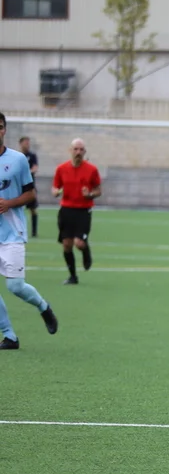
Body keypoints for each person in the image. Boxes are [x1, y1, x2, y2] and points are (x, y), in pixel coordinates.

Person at [0, 113, 58, 349]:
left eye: (0, 126)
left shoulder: (18, 160)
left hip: (12, 233)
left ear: (5, 130)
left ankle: (43, 307)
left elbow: (30, 194)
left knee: (15, 286)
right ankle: (9, 335)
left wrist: (8, 203)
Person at [51, 138, 100, 285]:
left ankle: (85, 250)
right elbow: (55, 187)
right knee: (67, 245)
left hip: (83, 211)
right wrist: (56, 192)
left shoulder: (92, 170)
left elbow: (98, 190)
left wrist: (89, 194)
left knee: (79, 243)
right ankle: (73, 276)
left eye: (81, 149)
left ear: (84, 152)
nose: (78, 152)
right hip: (66, 210)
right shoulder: (61, 169)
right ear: (70, 150)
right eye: (75, 149)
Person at [18, 136, 38, 238]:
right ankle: (19, 230)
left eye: (28, 143)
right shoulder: (17, 156)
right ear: (21, 144)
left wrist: (26, 173)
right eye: (26, 143)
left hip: (30, 187)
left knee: (33, 209)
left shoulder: (32, 156)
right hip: (18, 187)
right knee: (17, 208)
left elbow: (35, 168)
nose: (28, 145)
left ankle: (34, 232)